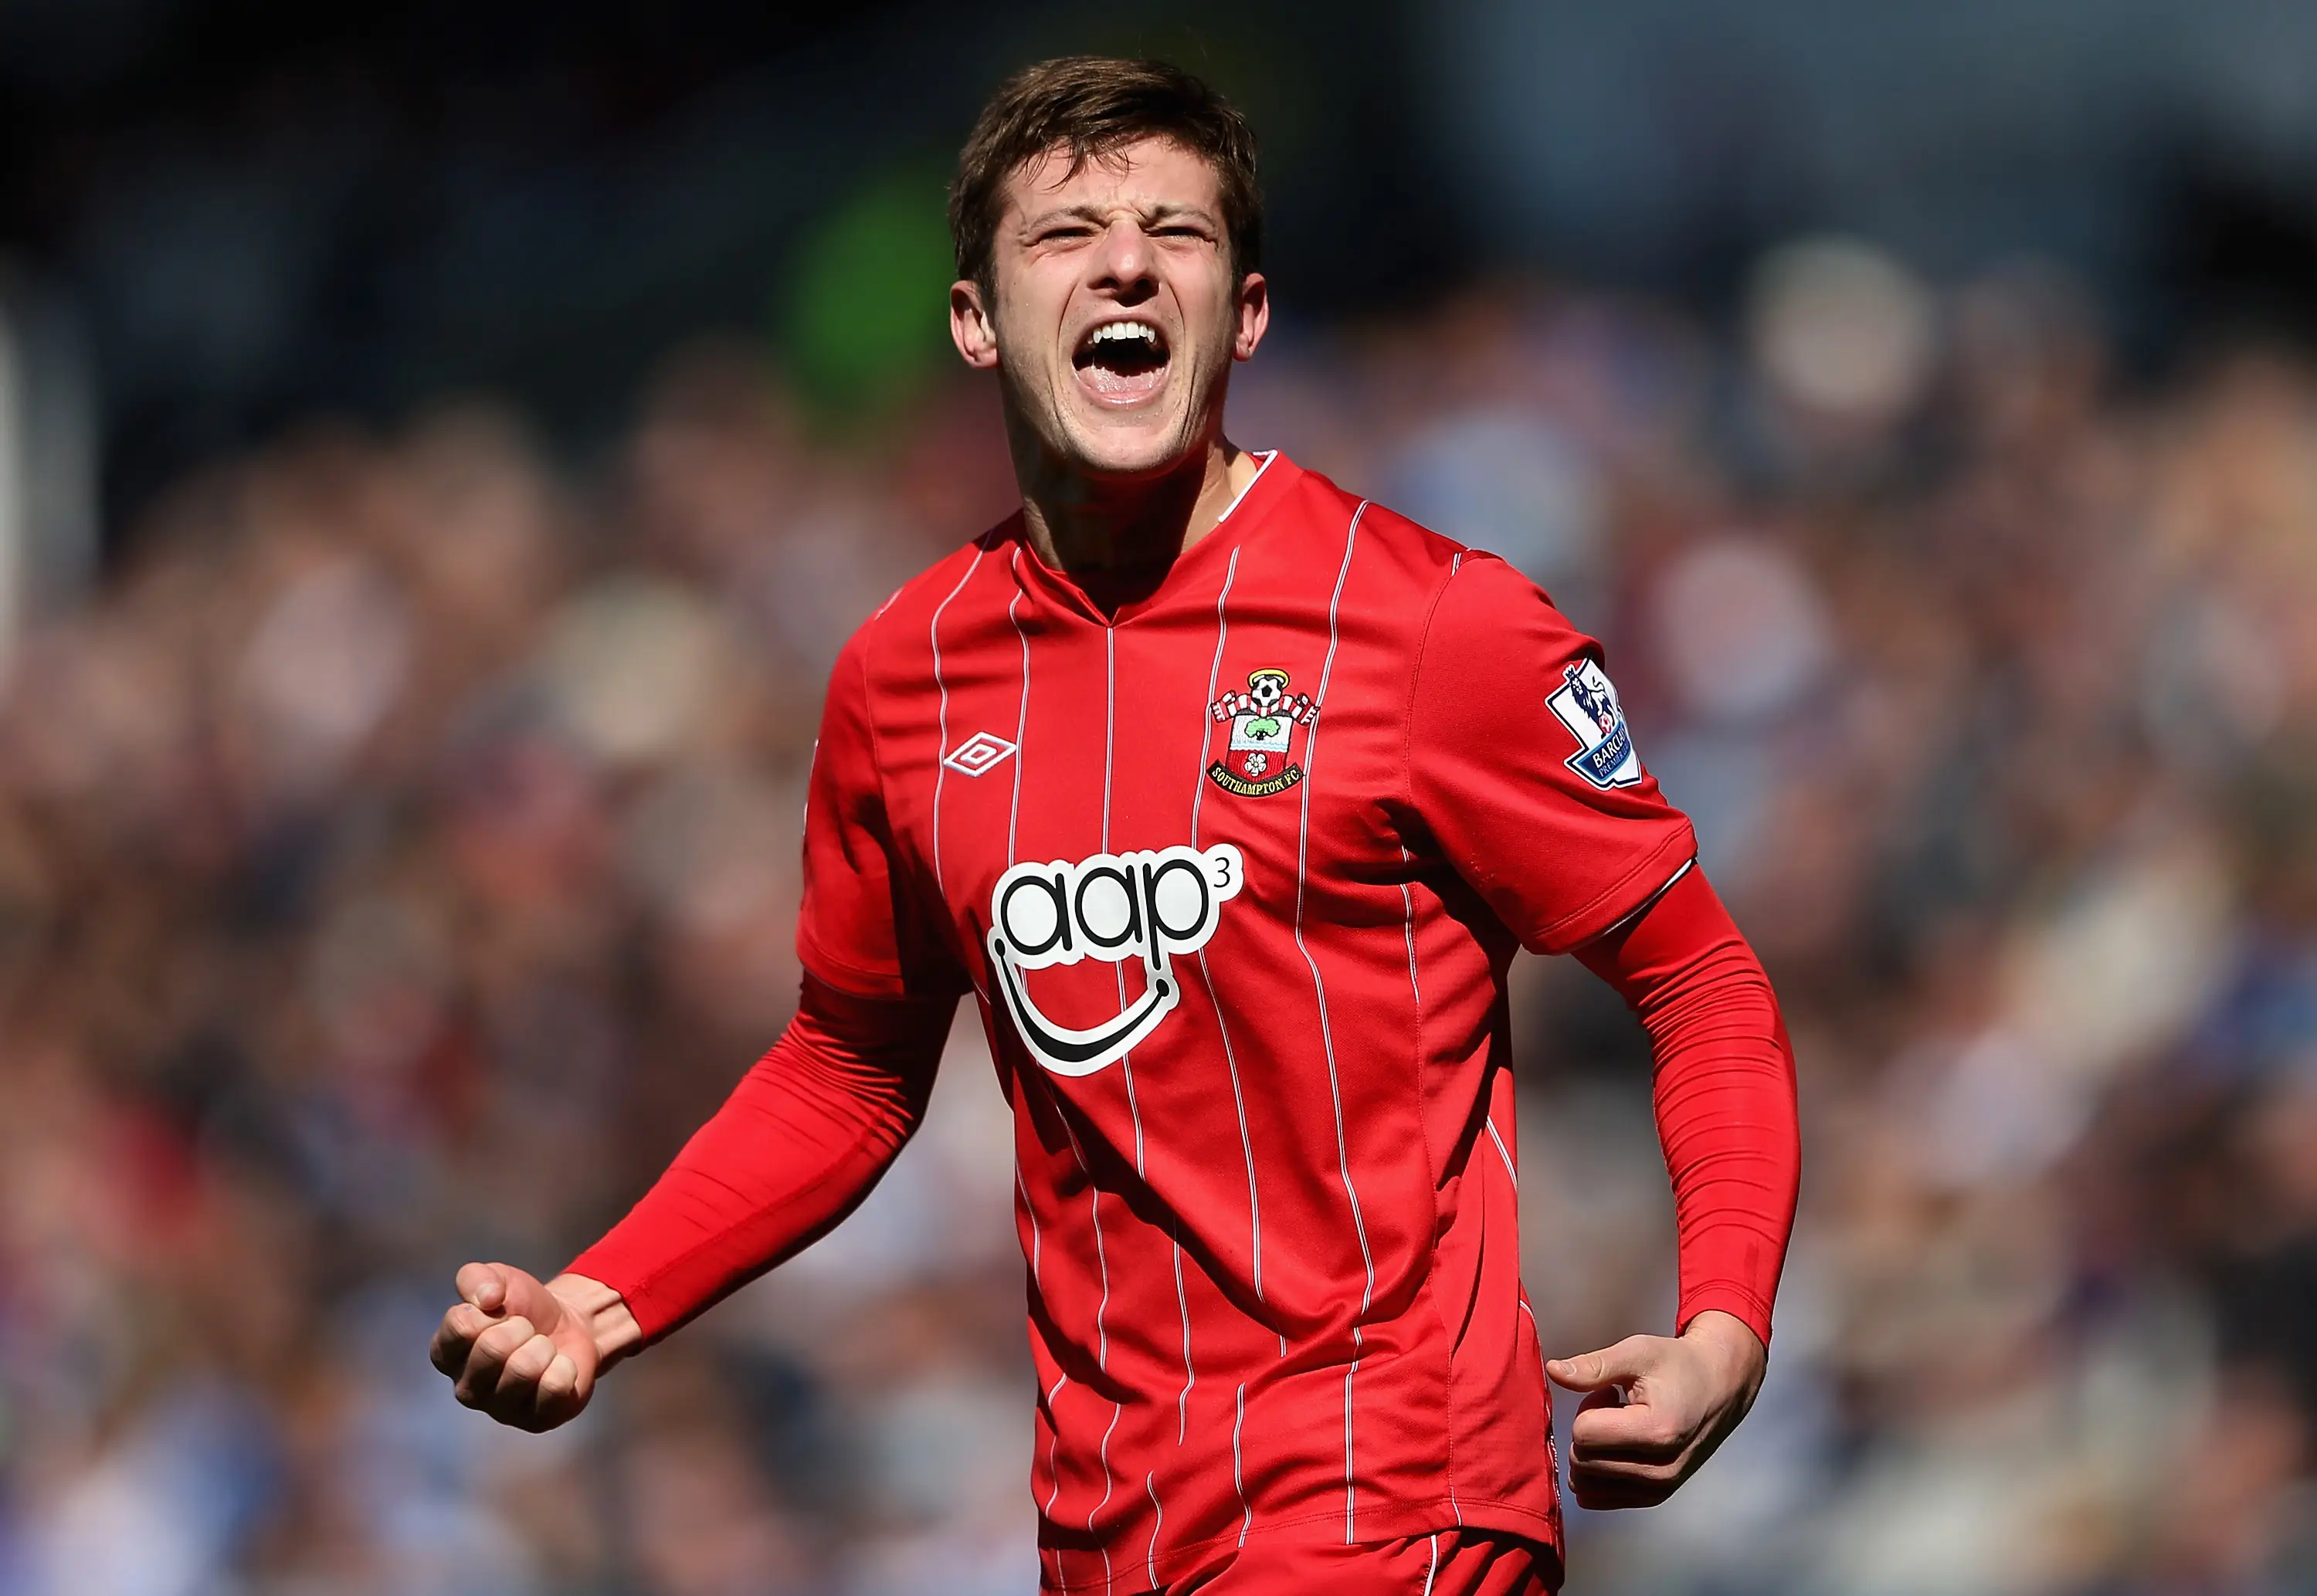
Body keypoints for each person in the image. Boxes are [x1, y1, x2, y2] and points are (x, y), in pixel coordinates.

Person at [429, 56, 1800, 1595]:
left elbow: (1702, 980)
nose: (1128, 262)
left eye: (1178, 233)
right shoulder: (908, 674)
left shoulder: (1429, 624)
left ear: (1250, 313)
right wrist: (604, 1303)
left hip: (1393, 1512)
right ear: (972, 318)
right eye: (1067, 233)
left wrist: (1723, 1328)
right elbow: (848, 1070)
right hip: (1107, 1540)